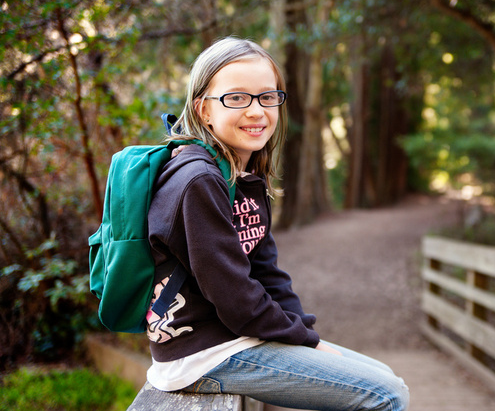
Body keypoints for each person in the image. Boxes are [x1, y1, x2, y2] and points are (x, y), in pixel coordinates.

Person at [145, 36, 409, 411]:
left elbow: (266, 272)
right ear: (204, 109)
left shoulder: (241, 174)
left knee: (385, 376)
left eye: (267, 97)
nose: (257, 111)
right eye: (236, 98)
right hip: (201, 352)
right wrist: (306, 341)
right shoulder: (198, 181)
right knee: (386, 395)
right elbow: (236, 298)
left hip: (235, 337)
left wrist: (307, 335)